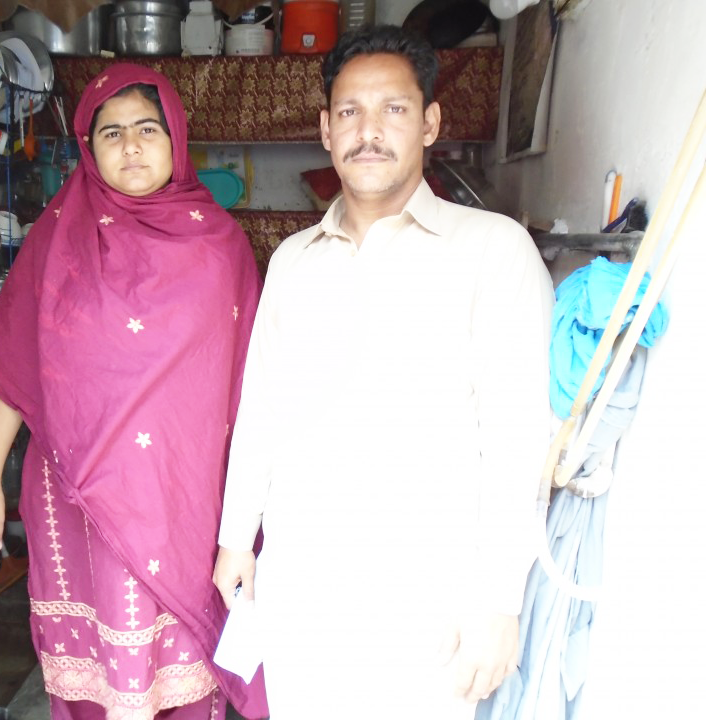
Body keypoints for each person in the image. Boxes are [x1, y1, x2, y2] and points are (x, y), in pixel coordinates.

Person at [213, 25, 555, 718]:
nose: (369, 131)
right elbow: (262, 409)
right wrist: (235, 538)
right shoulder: (294, 261)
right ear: (325, 129)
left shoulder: (494, 250)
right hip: (304, 589)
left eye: (394, 109)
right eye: (350, 111)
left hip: (429, 606)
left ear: (430, 123)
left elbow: (520, 439)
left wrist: (500, 602)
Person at [0, 64, 268, 720]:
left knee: (180, 666)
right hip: (78, 501)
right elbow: (12, 364)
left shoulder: (221, 247)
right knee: (98, 675)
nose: (131, 145)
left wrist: (249, 520)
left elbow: (252, 392)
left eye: (148, 129)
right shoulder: (55, 240)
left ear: (176, 139)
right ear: (88, 147)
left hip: (182, 501)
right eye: (111, 132)